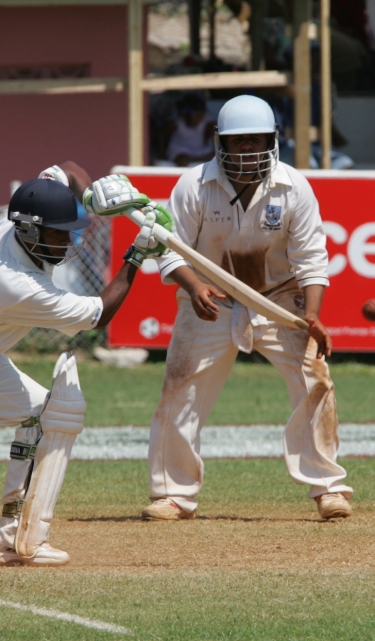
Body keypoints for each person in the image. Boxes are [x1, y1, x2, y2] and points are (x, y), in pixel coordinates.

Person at [139, 94, 353, 522]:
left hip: (278, 297)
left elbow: (311, 258)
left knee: (315, 380)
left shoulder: (294, 186)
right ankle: (173, 494)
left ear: (274, 139)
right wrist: (195, 286)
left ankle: (328, 489)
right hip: (211, 300)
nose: (248, 150)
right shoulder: (193, 185)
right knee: (180, 387)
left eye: (257, 140)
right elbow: (169, 250)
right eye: (238, 142)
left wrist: (310, 315)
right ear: (218, 140)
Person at [0, 164, 172, 566]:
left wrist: (103, 193)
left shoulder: (29, 216)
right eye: (58, 234)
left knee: (47, 414)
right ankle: (20, 536)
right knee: (51, 413)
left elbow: (67, 168)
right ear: (29, 231)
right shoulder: (15, 283)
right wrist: (136, 254)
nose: (67, 242)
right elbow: (99, 315)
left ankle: (12, 535)